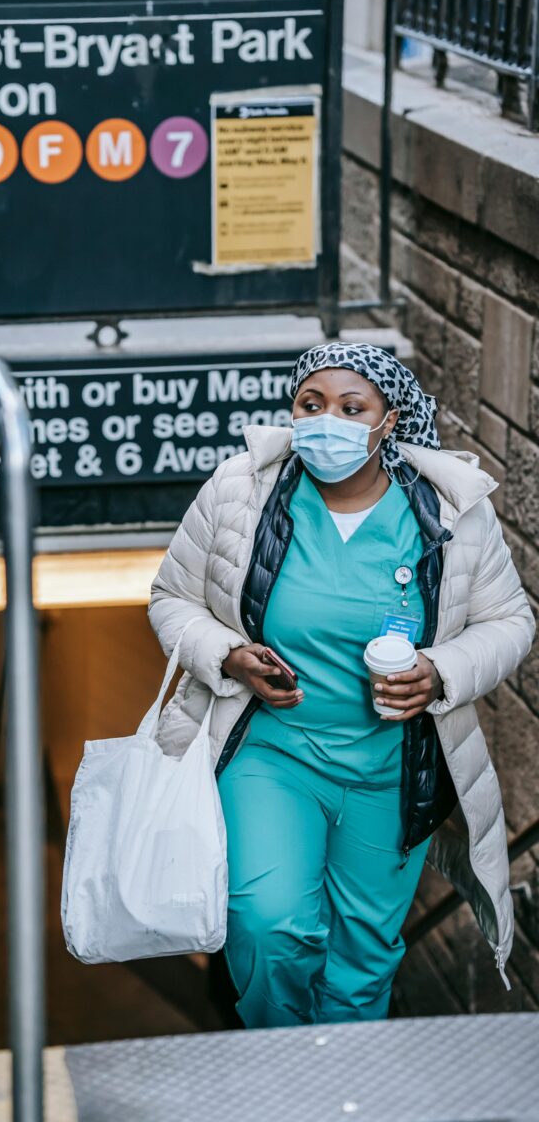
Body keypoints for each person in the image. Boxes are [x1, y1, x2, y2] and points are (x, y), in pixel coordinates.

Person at [148, 341, 535, 1028]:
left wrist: (440, 672)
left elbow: (510, 621)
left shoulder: (450, 513)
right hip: (275, 754)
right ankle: (281, 1063)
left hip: (392, 770)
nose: (328, 420)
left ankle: (345, 1090)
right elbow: (171, 600)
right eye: (311, 404)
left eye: (352, 408)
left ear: (389, 421)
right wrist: (231, 654)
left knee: (363, 958)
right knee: (268, 926)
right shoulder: (241, 492)